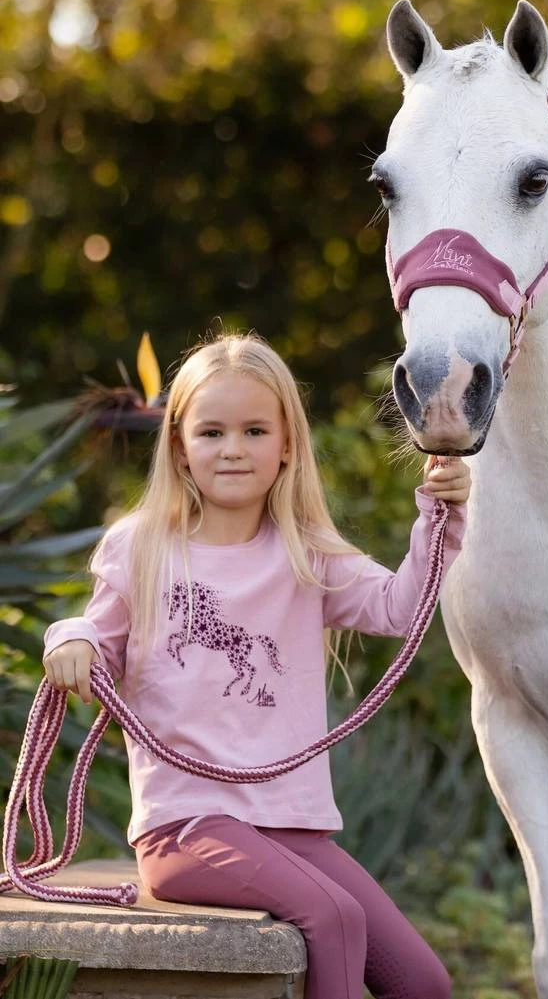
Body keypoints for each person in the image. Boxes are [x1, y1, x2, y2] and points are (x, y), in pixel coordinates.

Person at [42, 332, 470, 999]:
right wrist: (70, 640)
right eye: (212, 432)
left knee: (423, 983)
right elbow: (94, 635)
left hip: (289, 826)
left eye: (254, 430)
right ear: (180, 447)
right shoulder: (142, 547)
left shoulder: (306, 552)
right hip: (186, 829)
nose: (233, 449)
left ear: (286, 445)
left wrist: (440, 513)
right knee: (333, 917)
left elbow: (399, 608)